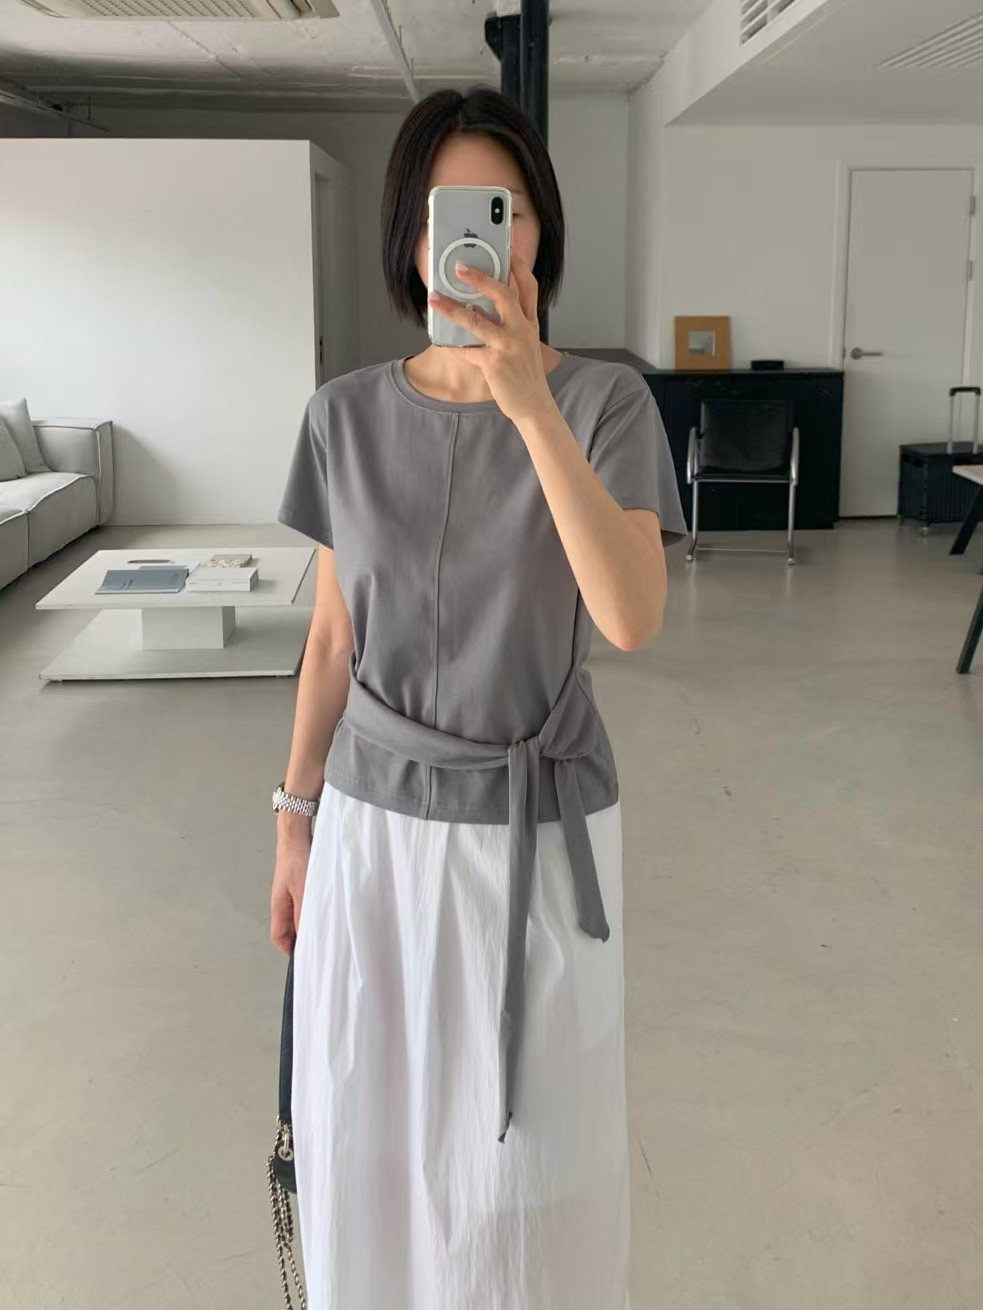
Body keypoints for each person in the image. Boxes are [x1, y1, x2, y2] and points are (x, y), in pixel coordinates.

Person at [270, 84, 686, 1310]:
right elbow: (332, 638)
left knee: (527, 1172)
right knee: (365, 1133)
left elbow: (629, 615)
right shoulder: (343, 415)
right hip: (370, 831)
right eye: (447, 212)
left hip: (536, 832)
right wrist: (293, 819)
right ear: (410, 237)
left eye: (501, 211)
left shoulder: (604, 403)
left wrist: (528, 403)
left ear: (537, 230)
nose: (475, 241)